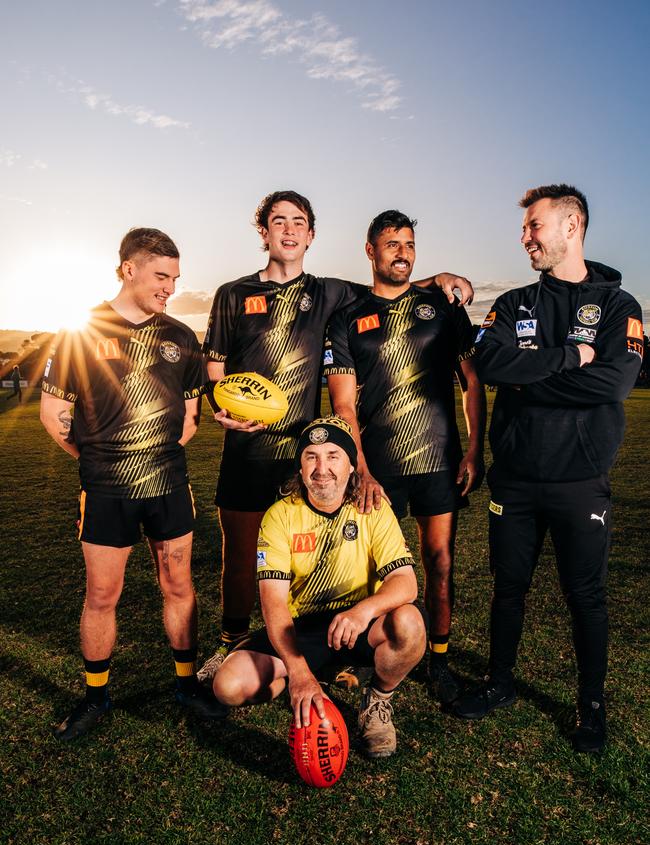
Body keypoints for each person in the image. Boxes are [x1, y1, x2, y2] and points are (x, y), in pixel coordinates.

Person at [198, 191, 475, 680]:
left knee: (328, 555)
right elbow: (214, 372)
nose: (288, 230)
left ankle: (337, 647)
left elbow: (394, 283)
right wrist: (222, 404)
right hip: (247, 450)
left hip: (308, 457)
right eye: (278, 221)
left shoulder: (330, 292)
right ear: (263, 231)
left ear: (311, 234)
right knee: (240, 559)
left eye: (298, 222)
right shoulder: (232, 294)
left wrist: (441, 279)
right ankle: (231, 644)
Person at [454, 185, 644, 753]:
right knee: (507, 588)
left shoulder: (618, 306)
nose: (525, 237)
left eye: (534, 225)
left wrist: (530, 375)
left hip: (581, 479)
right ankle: (499, 682)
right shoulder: (514, 303)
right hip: (515, 477)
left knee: (585, 594)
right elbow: (487, 361)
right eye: (525, 228)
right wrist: (566, 358)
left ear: (571, 225)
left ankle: (591, 703)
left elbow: (615, 382)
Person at [40, 227, 225, 742]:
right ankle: (95, 697)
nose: (170, 286)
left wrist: (153, 455)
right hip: (105, 488)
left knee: (178, 584)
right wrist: (101, 459)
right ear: (129, 269)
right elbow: (53, 412)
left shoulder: (180, 337)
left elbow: (189, 418)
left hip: (168, 483)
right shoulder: (80, 332)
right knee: (102, 594)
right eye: (161, 276)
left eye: (175, 277)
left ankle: (186, 686)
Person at [325, 210, 485, 706]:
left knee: (439, 562)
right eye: (392, 244)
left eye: (409, 243)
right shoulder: (349, 316)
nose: (403, 252)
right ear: (370, 251)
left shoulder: (441, 305)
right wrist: (363, 470)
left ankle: (438, 661)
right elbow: (344, 405)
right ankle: (366, 656)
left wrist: (476, 448)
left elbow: (472, 381)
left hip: (440, 458)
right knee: (370, 569)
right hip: (382, 468)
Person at [210, 416, 426, 758]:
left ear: (352, 465)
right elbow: (274, 604)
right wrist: (297, 672)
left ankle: (378, 700)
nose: (321, 467)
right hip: (302, 629)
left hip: (358, 627)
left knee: (410, 624)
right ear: (300, 465)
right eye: (311, 456)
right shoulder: (279, 515)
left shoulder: (373, 507)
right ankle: (314, 673)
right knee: (228, 687)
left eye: (333, 455)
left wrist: (362, 612)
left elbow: (406, 583)